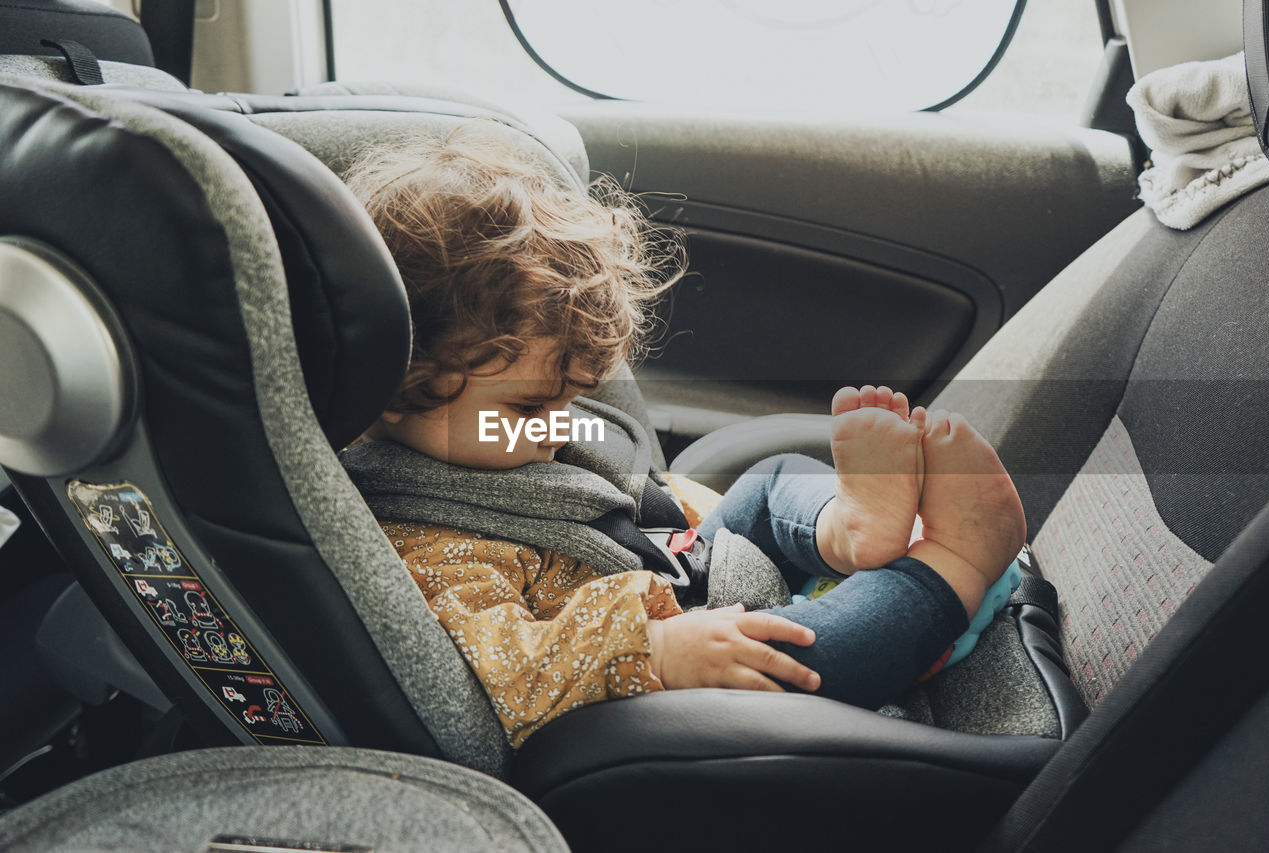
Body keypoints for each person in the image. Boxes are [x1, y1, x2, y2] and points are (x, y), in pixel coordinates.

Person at [340, 122, 1026, 748]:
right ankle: (955, 563)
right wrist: (656, 649)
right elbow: (502, 677)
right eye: (527, 409)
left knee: (768, 478)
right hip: (652, 682)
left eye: (571, 399)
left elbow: (597, 504)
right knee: (796, 659)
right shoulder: (425, 551)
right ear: (398, 382)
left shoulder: (484, 437)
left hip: (665, 565)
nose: (558, 430)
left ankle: (846, 528)